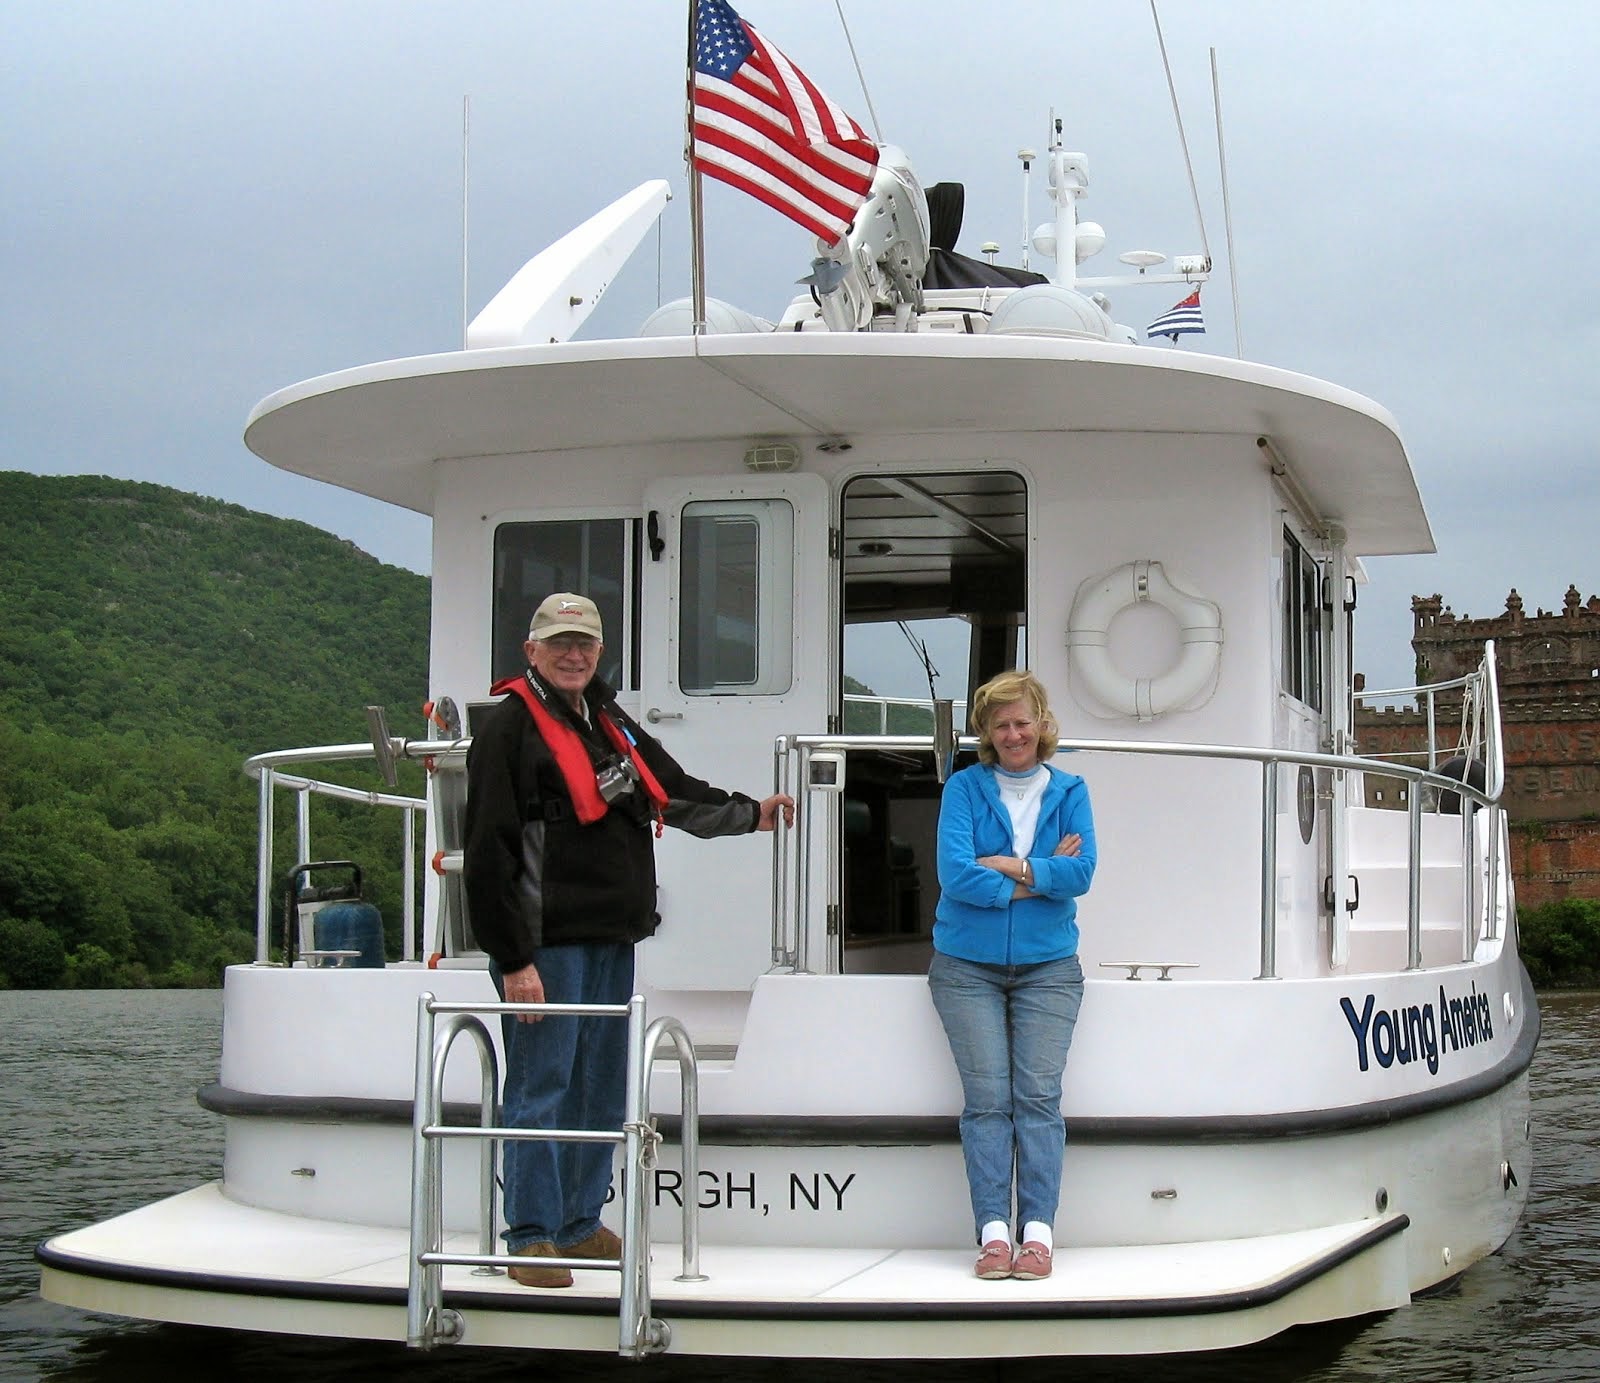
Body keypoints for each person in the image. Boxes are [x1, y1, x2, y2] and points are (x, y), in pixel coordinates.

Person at [463, 592, 794, 1288]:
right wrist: (514, 959)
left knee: (598, 1086)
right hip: (546, 946)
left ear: (599, 649)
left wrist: (749, 814)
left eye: (584, 641)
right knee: (541, 1084)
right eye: (559, 642)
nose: (573, 653)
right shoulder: (508, 729)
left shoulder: (607, 718)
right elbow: (489, 852)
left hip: (612, 935)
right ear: (532, 652)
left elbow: (669, 788)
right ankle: (528, 1236)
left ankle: (579, 1224)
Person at [928, 669, 1096, 1282]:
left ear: (1042, 724)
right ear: (986, 732)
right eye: (1001, 724)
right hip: (964, 968)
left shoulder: (1071, 789)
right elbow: (955, 876)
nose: (1013, 733)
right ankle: (994, 1235)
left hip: (1049, 967)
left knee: (1038, 1100)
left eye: (1023, 721)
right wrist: (1038, 876)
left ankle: (1039, 1235)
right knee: (987, 1103)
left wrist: (1007, 866)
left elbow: (1084, 875)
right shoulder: (964, 789)